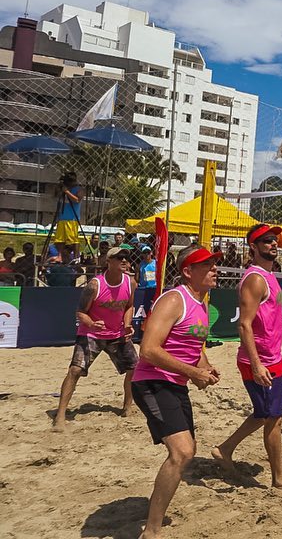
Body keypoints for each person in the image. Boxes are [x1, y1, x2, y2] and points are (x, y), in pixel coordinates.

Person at [131, 244, 220, 539]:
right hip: (151, 382)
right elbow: (147, 350)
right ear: (187, 271)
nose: (214, 269)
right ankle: (151, 531)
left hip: (175, 383)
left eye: (214, 264)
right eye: (207, 265)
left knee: (187, 453)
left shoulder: (203, 303)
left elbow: (194, 348)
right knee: (182, 452)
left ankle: (154, 520)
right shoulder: (173, 300)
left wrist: (204, 367)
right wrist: (193, 372)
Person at [213, 224, 282, 488]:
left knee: (264, 413)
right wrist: (256, 365)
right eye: (266, 240)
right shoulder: (255, 278)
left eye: (275, 239)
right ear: (253, 247)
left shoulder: (269, 274)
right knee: (273, 417)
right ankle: (279, 478)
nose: (273, 243)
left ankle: (225, 449)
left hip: (271, 356)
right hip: (258, 360)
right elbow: (244, 324)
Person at [52, 246, 138, 430]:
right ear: (108, 262)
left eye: (126, 257)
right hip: (91, 333)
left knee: (134, 368)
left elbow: (129, 306)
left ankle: (127, 408)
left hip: (116, 333)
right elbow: (80, 312)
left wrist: (128, 324)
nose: (124, 260)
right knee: (75, 370)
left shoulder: (130, 282)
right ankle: (60, 415)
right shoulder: (95, 285)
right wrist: (91, 323)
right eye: (119, 257)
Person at [55, 172, 83, 263]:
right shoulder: (63, 189)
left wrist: (67, 192)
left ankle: (76, 256)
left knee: (73, 239)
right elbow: (55, 195)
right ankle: (59, 256)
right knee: (59, 239)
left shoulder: (78, 189)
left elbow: (77, 200)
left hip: (72, 218)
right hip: (62, 217)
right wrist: (60, 188)